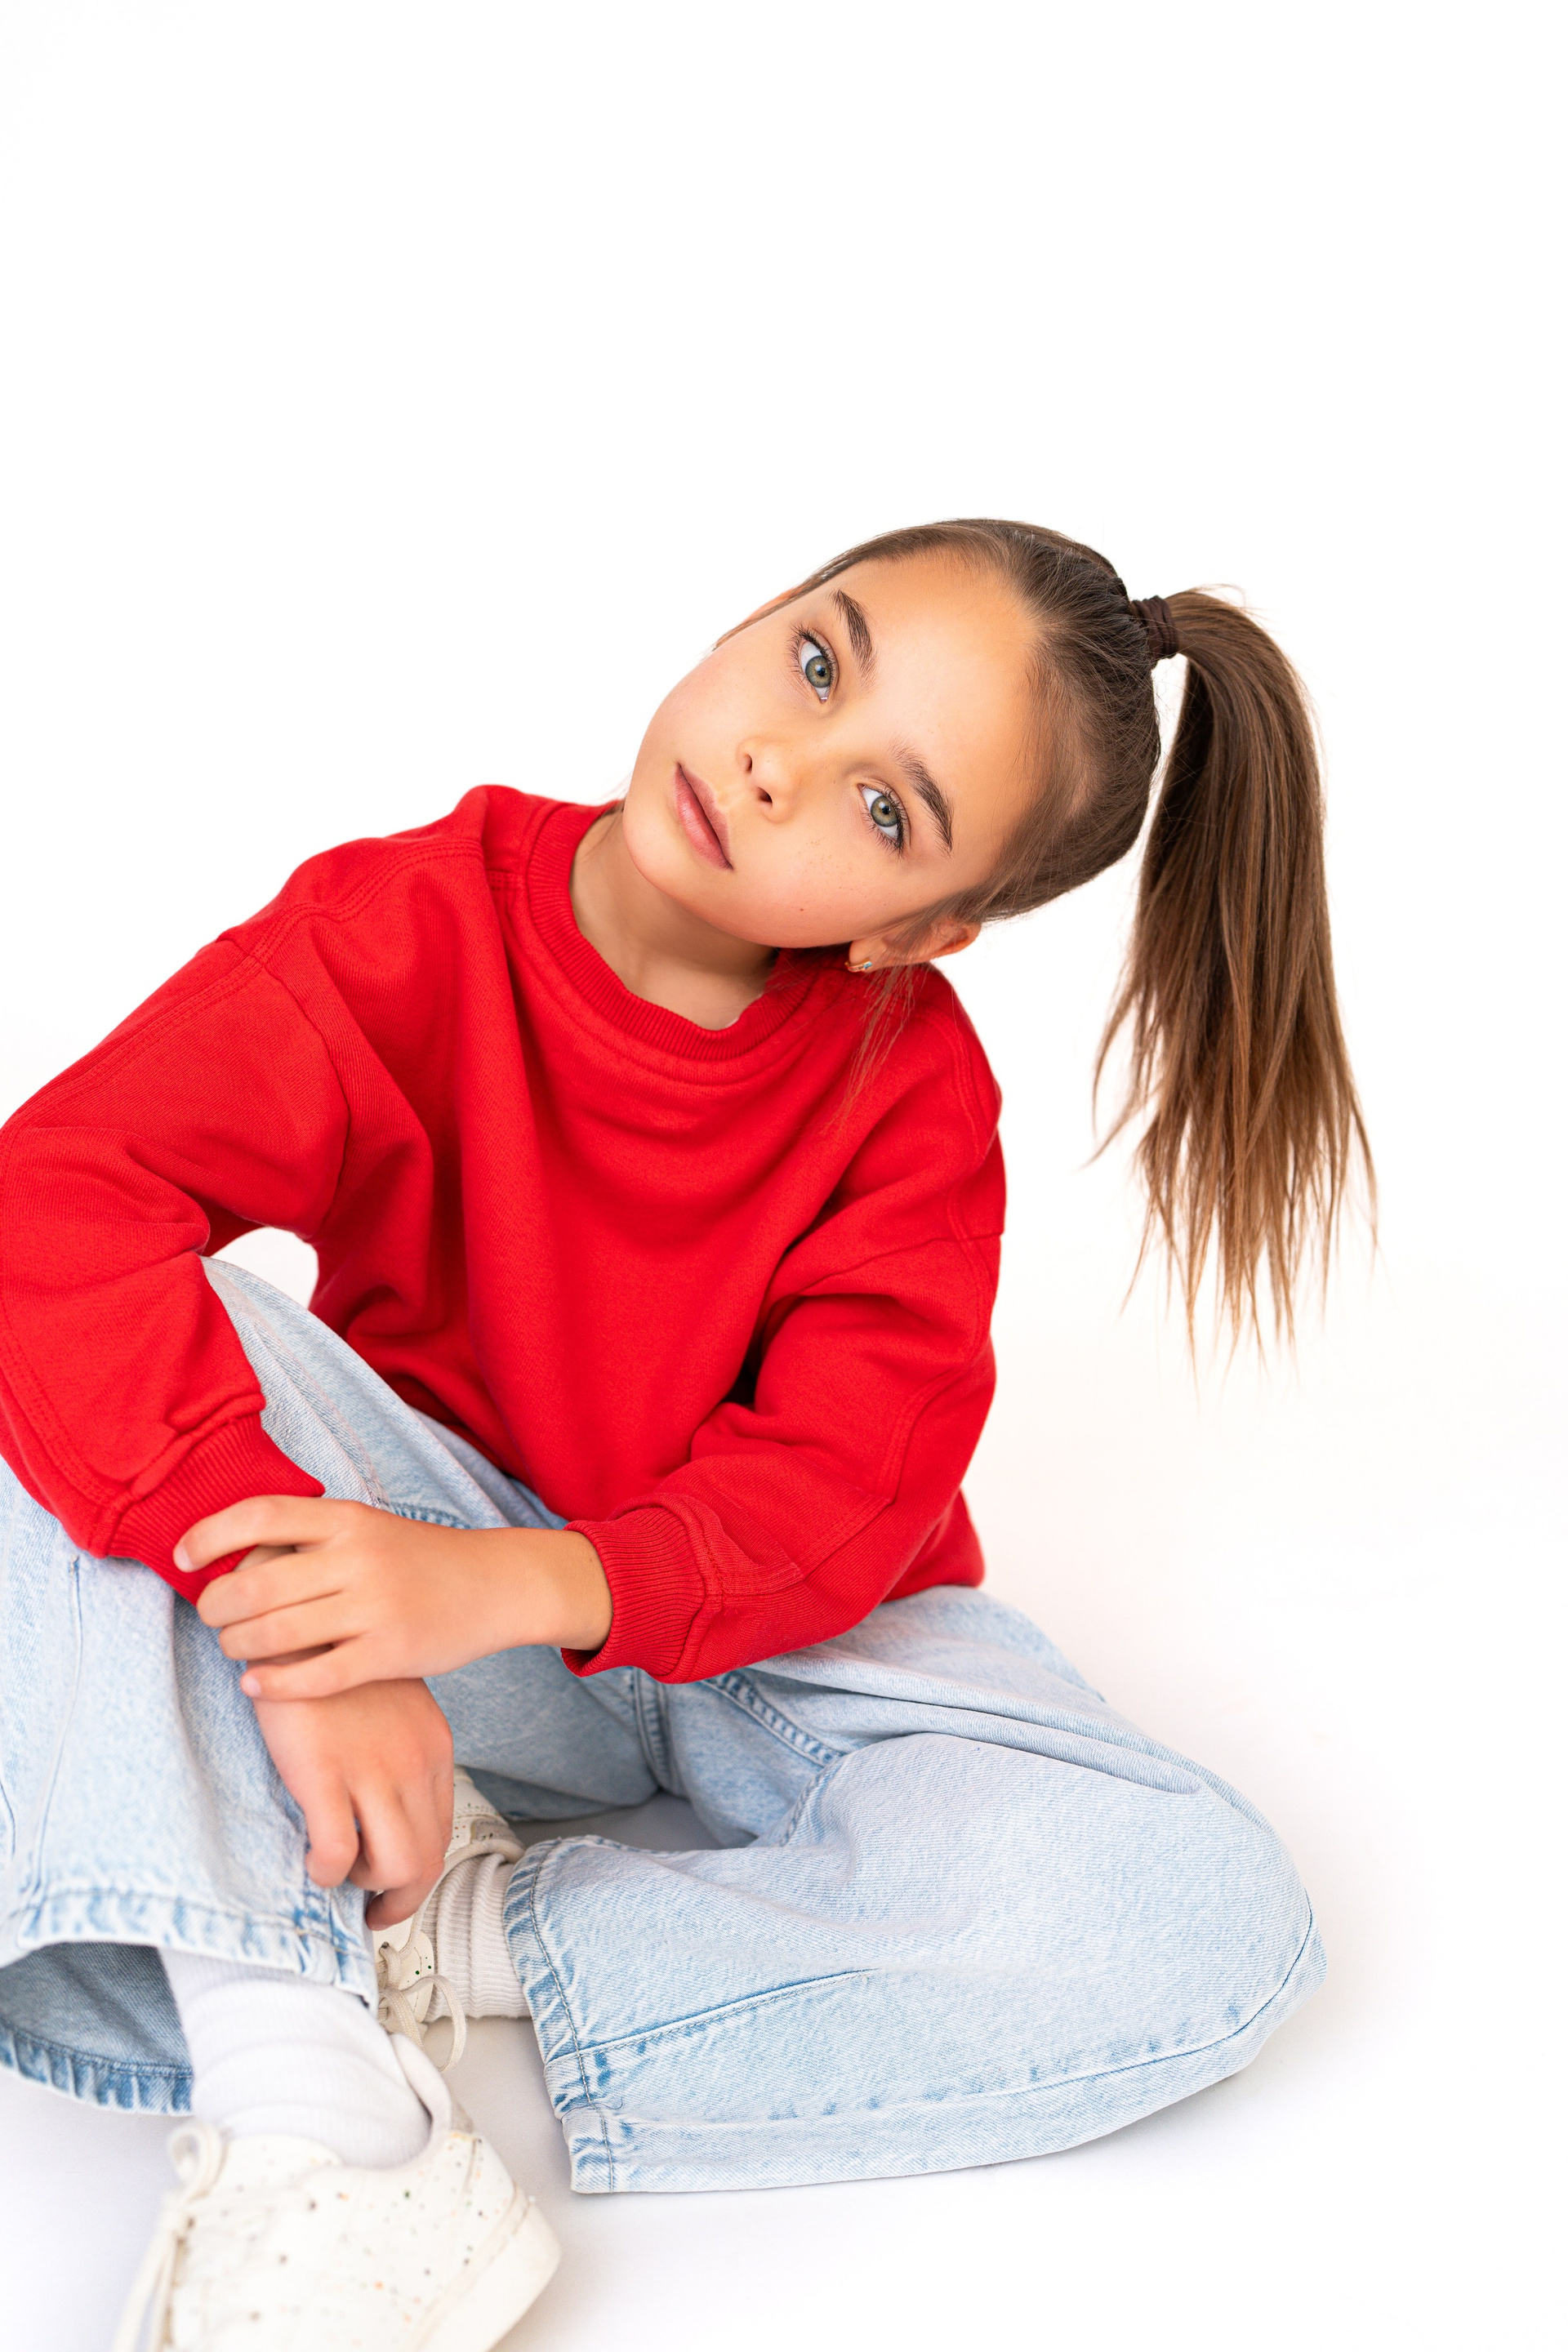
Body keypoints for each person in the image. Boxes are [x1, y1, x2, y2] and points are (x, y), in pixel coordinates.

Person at [0, 519, 1370, 2350]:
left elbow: (844, 1488)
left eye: (885, 809)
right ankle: (314, 2101)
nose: (780, 763)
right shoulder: (402, 925)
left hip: (787, 1639)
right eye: (817, 661)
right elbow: (58, 1196)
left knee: (1205, 1912)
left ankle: (440, 1934)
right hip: (429, 1572)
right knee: (109, 1348)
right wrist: (324, 1644)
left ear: (916, 932)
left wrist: (506, 1590)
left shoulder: (910, 1092)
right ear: (755, 612)